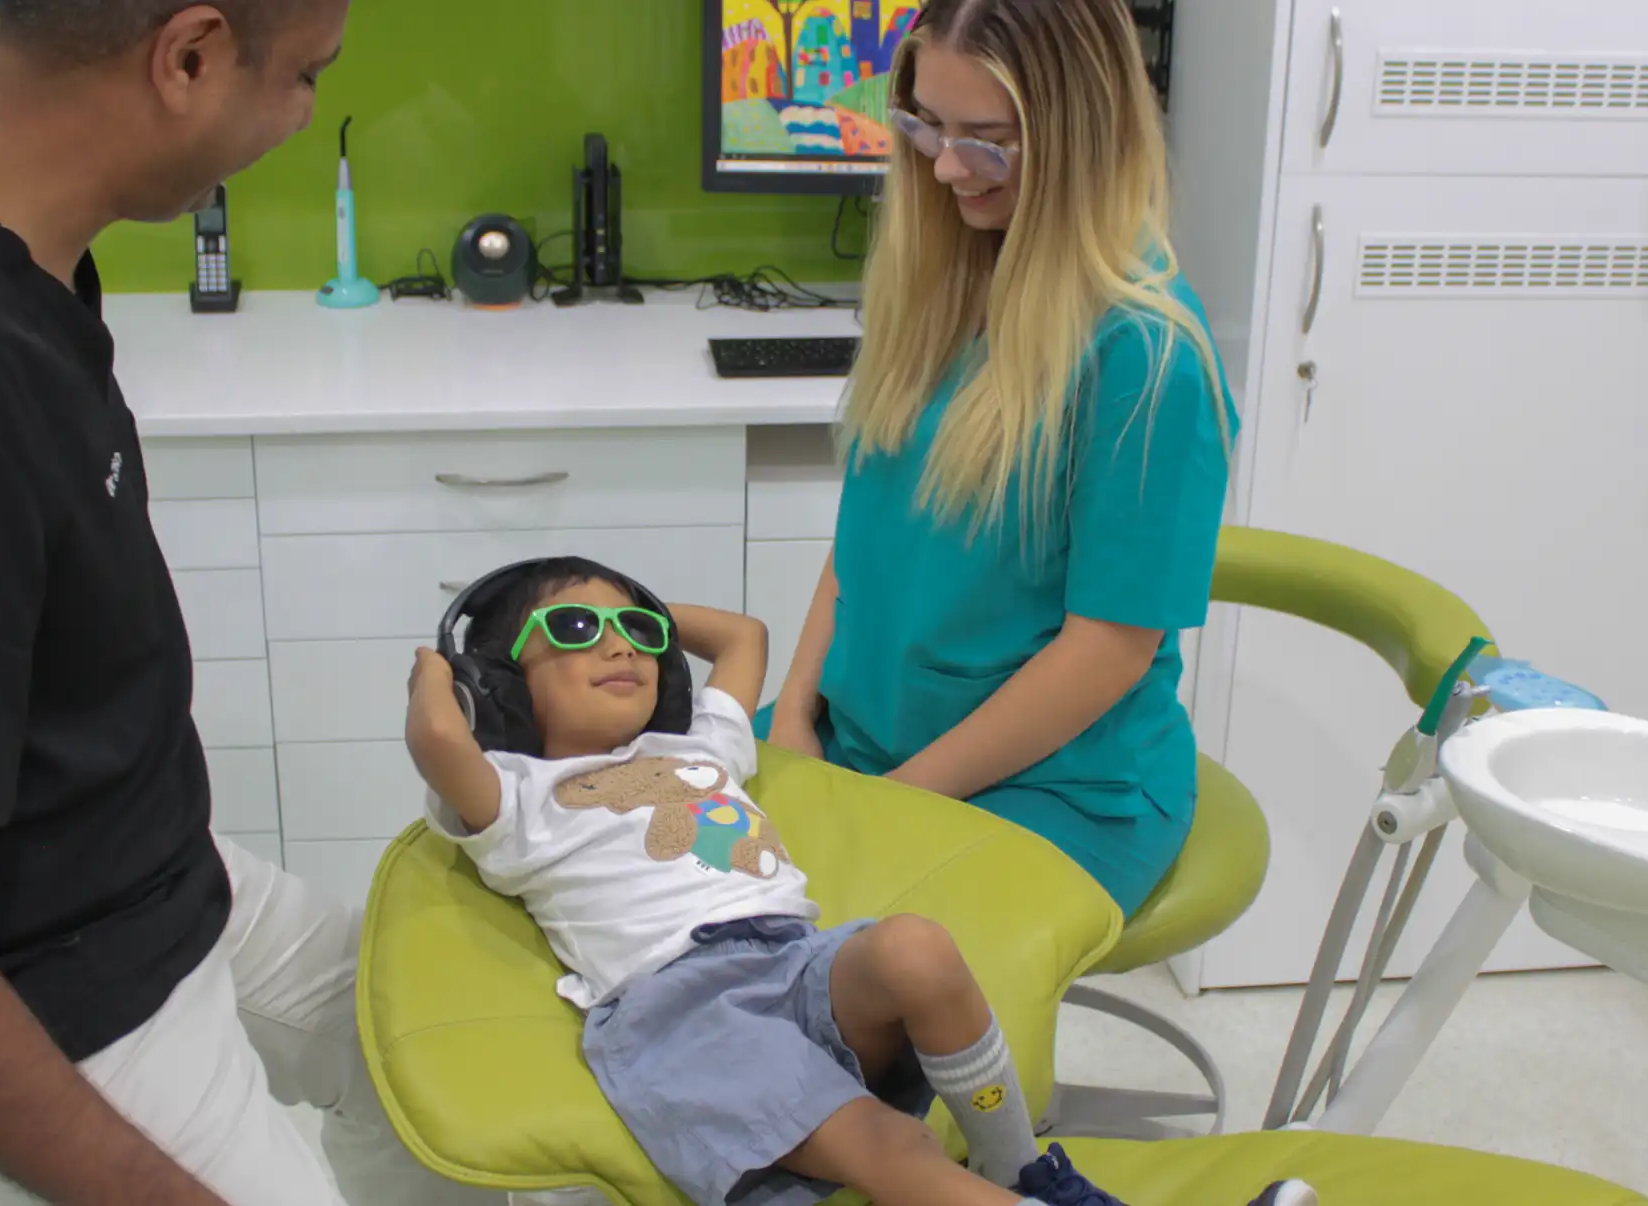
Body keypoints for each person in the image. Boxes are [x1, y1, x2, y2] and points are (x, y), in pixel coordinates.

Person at [0, 4, 498, 1205]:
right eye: (301, 79)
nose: (300, 117)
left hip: (126, 879)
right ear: (185, 57)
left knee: (481, 1064)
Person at [404, 557, 1310, 1206]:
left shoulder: (697, 747)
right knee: (892, 1145)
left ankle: (1018, 1167)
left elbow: (745, 637)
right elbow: (441, 738)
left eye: (637, 633)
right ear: (500, 683)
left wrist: (627, 612)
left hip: (797, 963)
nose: (621, 647)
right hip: (682, 1013)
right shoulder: (516, 798)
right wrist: (448, 668)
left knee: (915, 946)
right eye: (573, 630)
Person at [760, 0, 1239, 919]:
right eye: (926, 126)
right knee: (644, 867)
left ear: (1083, 138)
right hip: (867, 740)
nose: (944, 167)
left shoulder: (1147, 356)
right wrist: (792, 719)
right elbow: (861, 543)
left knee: (822, 981)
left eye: (986, 140)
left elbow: (1107, 649)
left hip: (1056, 786)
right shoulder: (945, 282)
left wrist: (881, 806)